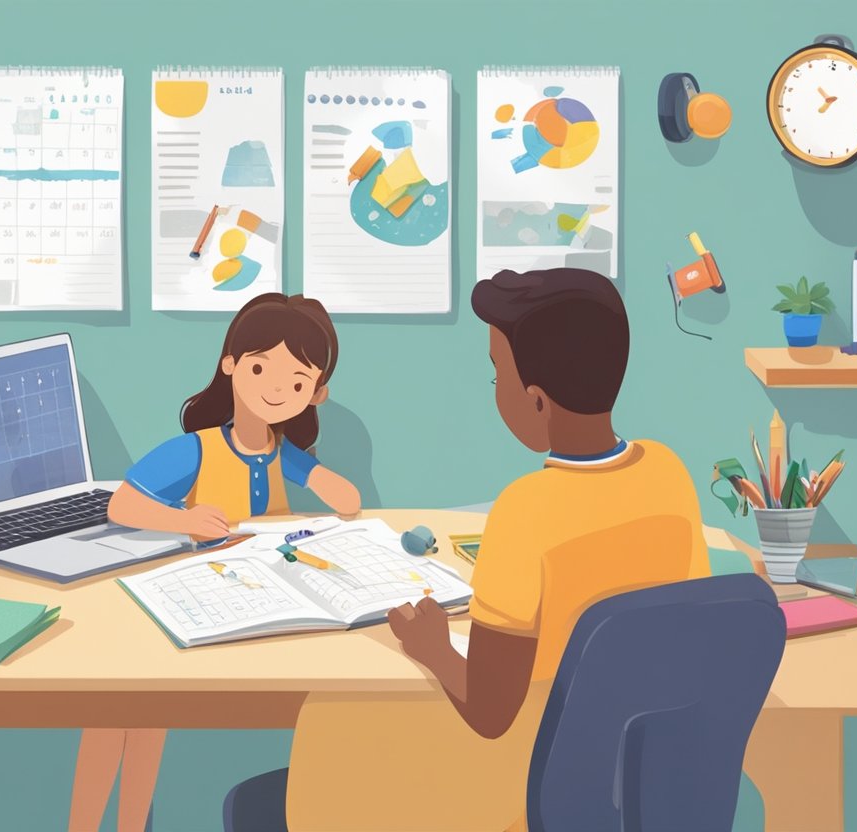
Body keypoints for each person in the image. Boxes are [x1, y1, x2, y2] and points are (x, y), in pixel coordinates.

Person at [284, 268, 711, 831]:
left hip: (523, 794)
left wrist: (433, 647)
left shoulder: (526, 510)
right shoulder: (668, 472)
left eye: (497, 374)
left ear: (536, 402)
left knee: (320, 739)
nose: (495, 390)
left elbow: (489, 712)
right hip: (625, 784)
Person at [68, 293, 361, 832]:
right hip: (204, 599)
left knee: (143, 713)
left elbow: (346, 500)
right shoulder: (197, 450)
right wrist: (185, 520)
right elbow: (122, 505)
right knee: (128, 710)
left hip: (270, 602)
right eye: (260, 369)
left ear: (316, 392)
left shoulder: (282, 452)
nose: (277, 390)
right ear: (230, 364)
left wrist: (322, 482)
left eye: (298, 382)